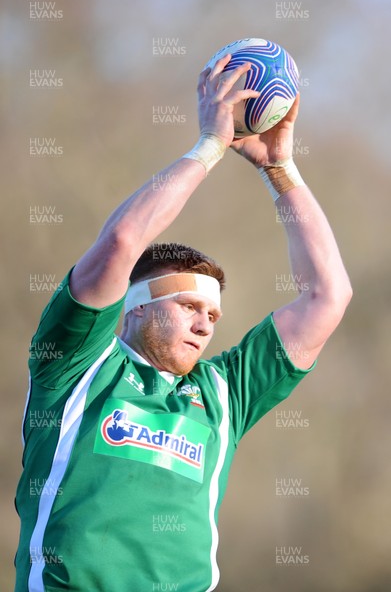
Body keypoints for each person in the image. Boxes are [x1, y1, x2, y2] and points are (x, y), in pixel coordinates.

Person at [15, 55, 352, 592]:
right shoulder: (77, 361)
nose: (205, 325)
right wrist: (210, 146)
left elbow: (327, 295)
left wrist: (279, 169)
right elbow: (122, 245)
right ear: (137, 304)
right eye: (189, 307)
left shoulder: (221, 393)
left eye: (213, 314)